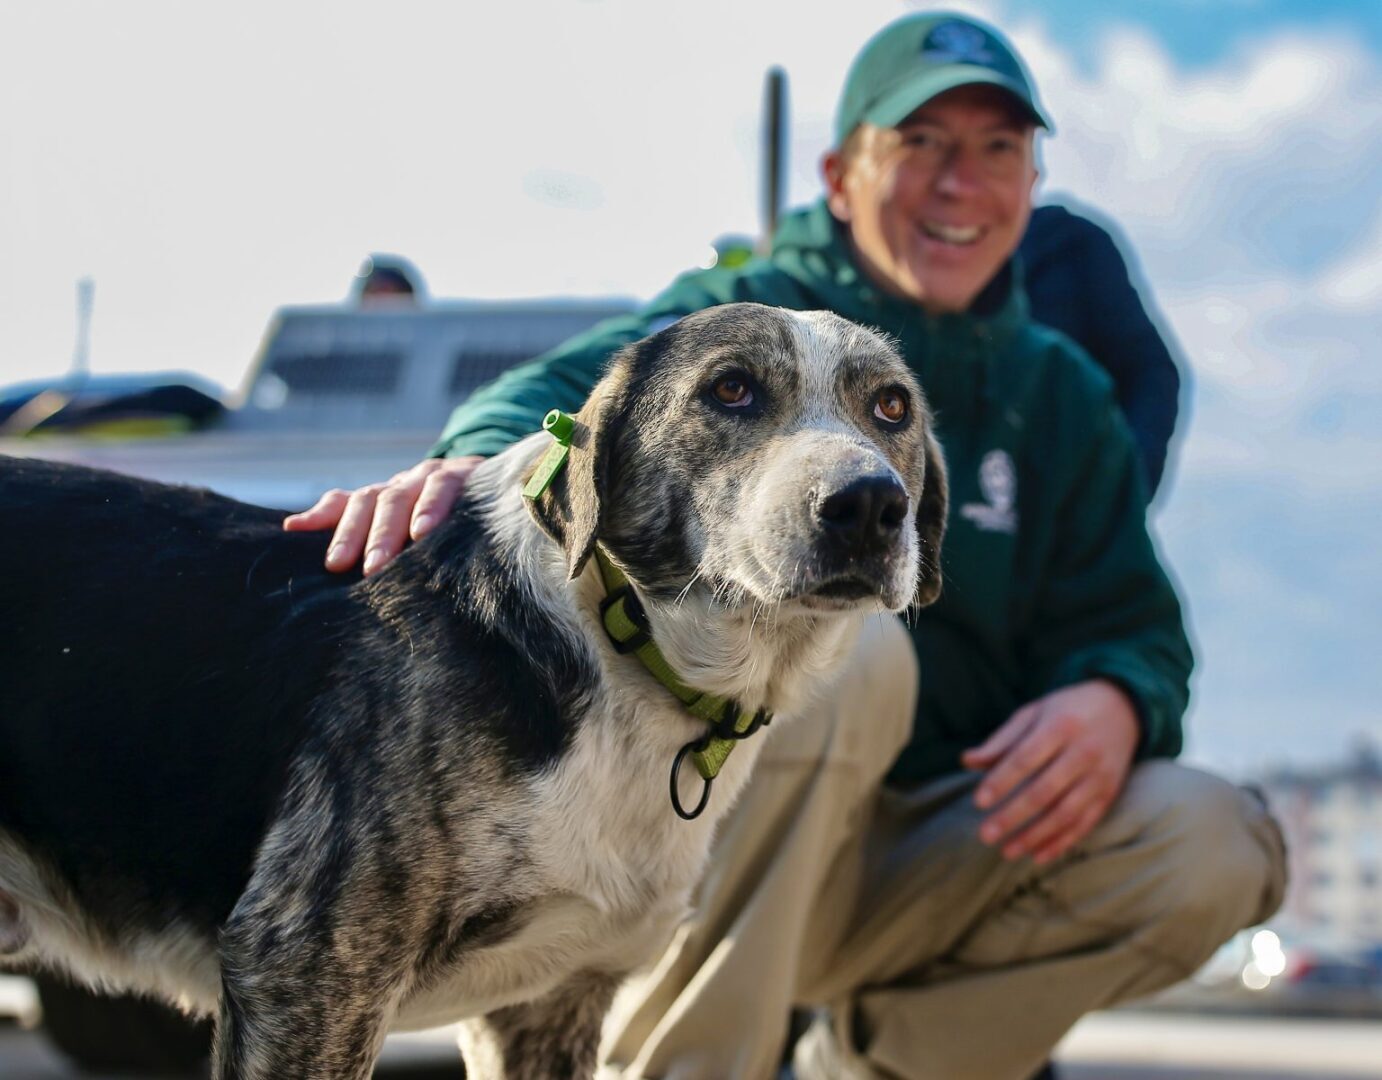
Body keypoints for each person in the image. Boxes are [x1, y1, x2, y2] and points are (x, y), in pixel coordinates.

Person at [287, 14, 1285, 1079]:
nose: (961, 182)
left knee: (1215, 842)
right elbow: (546, 400)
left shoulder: (1065, 398)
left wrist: (1116, 697)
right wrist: (470, 463)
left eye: (998, 150)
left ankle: (883, 1065)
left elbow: (1134, 627)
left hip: (929, 851)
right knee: (852, 650)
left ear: (1031, 180)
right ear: (839, 173)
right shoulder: (734, 320)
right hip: (707, 856)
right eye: (921, 144)